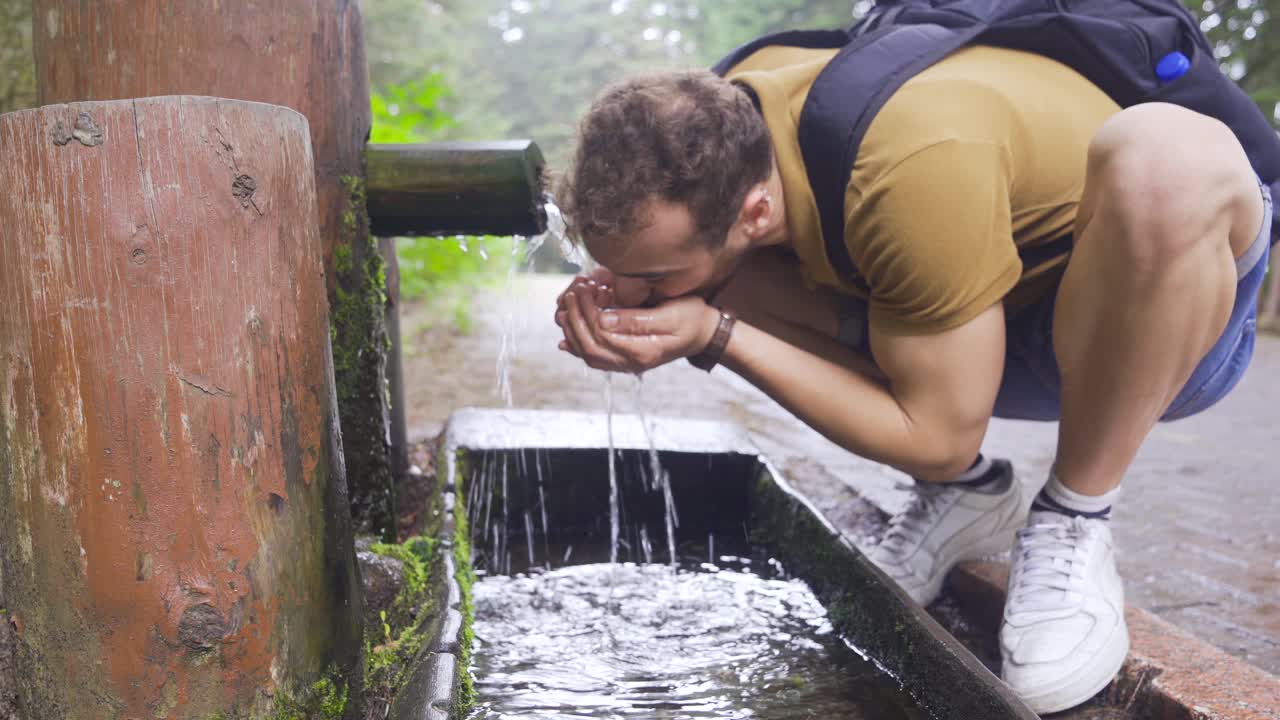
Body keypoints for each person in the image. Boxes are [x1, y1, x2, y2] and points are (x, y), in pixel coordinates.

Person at [551, 44, 1271, 714]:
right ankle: (970, 500)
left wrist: (714, 334)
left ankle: (1076, 514)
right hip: (993, 311)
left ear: (757, 210)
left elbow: (938, 438)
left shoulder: (907, 166)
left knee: (1168, 152)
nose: (627, 289)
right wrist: (654, 294)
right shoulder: (726, 127)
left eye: (646, 274)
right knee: (717, 278)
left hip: (1168, 319)